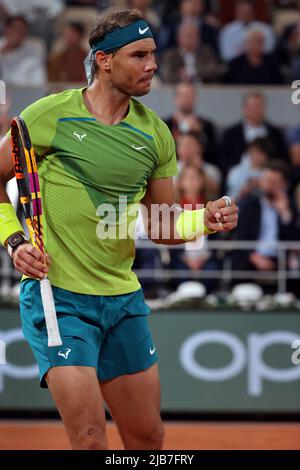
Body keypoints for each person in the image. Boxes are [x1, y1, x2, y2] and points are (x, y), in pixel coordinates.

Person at [0, 9, 238, 450]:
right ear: (104, 60)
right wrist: (13, 240)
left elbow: (163, 225)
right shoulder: (48, 115)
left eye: (153, 54)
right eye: (139, 54)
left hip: (123, 300)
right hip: (59, 298)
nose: (152, 65)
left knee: (148, 439)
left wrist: (203, 219)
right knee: (90, 440)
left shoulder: (156, 136)